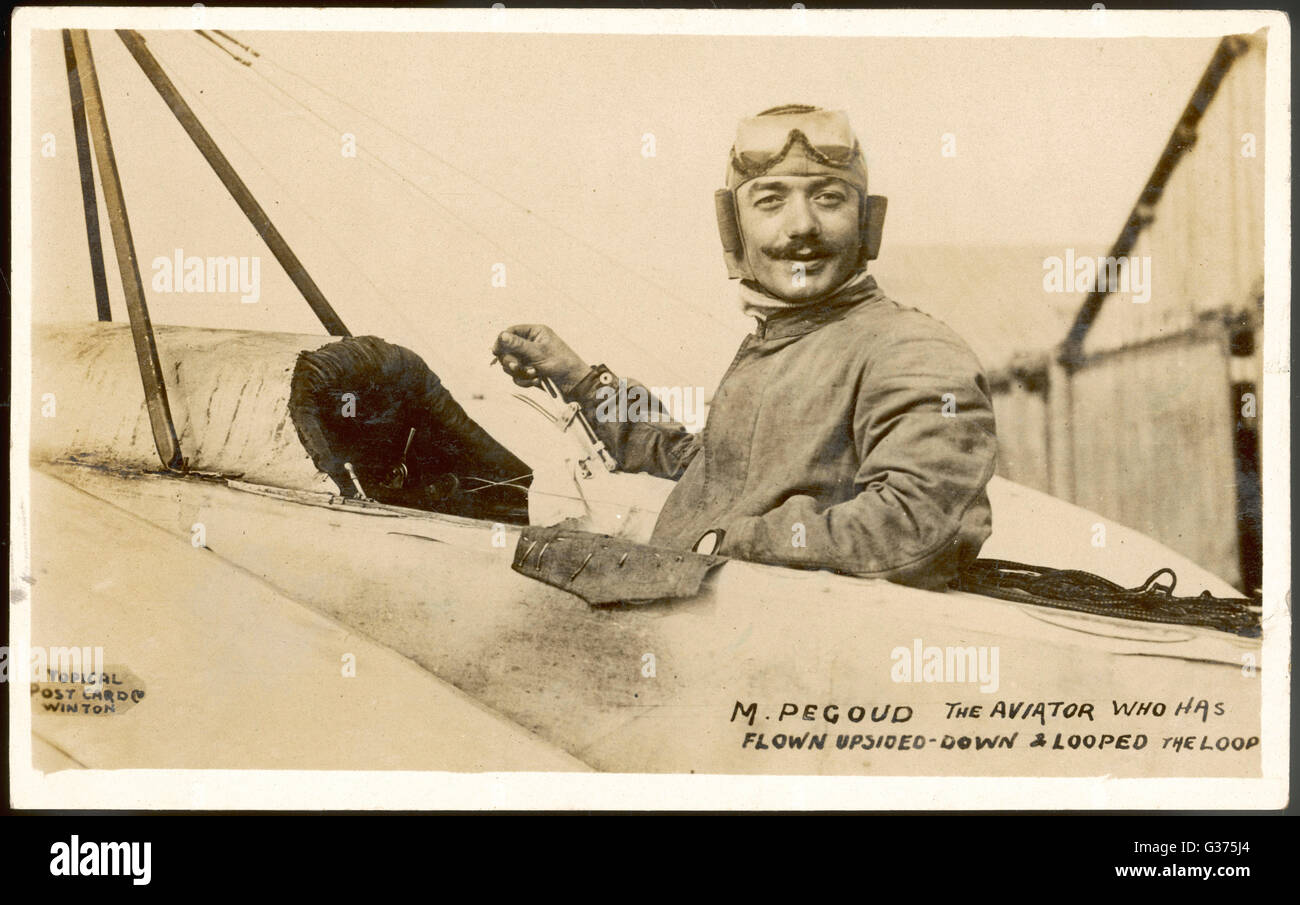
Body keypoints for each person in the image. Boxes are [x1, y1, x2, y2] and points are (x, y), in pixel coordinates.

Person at [492, 104, 997, 589]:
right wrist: (580, 379)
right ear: (734, 226)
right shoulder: (785, 341)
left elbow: (919, 527)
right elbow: (708, 466)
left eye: (828, 198)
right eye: (771, 200)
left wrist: (725, 540)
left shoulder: (912, 350)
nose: (802, 226)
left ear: (867, 223)